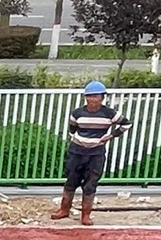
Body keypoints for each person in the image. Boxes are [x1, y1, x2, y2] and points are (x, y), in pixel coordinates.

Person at [53, 80, 131, 227]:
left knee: (90, 184)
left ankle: (86, 215)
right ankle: (64, 210)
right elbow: (72, 129)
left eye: (96, 96)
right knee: (71, 181)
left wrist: (112, 135)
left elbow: (127, 124)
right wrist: (82, 140)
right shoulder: (77, 113)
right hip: (76, 151)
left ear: (102, 97)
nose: (93, 99)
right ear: (85, 97)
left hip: (96, 153)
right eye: (90, 96)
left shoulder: (109, 113)